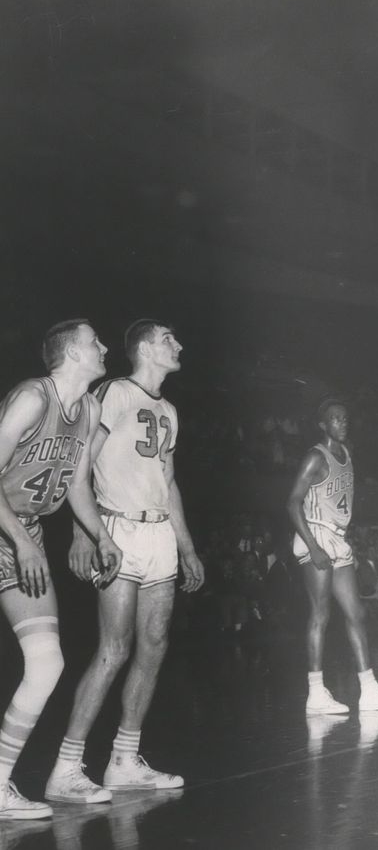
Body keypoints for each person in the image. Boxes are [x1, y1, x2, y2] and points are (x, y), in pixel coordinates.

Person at [46, 320, 204, 805]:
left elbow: (168, 480)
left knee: (153, 646)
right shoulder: (114, 393)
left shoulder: (170, 410)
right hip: (117, 529)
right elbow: (79, 464)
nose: (177, 344)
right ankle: (66, 767)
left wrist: (187, 545)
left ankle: (124, 760)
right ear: (143, 349)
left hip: (158, 533)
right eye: (167, 339)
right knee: (113, 649)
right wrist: (82, 532)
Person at [0, 320, 122, 820]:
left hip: (19, 530)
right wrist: (21, 541)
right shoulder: (33, 397)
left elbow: (74, 487)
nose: (105, 346)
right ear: (72, 352)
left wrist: (102, 534)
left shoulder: (89, 409)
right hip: (11, 529)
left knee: (47, 661)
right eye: (97, 341)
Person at [286, 399, 378, 715]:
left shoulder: (347, 453)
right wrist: (313, 546)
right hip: (315, 534)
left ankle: (369, 691)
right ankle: (315, 694)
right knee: (320, 614)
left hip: (338, 539)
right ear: (322, 424)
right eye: (335, 419)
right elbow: (292, 503)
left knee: (357, 613)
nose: (343, 422)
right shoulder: (316, 456)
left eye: (345, 418)